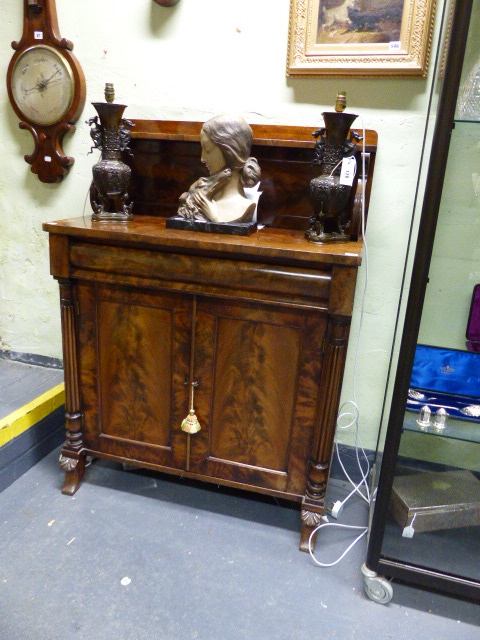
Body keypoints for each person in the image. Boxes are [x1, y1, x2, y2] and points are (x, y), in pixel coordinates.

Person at [177, 114, 261, 223]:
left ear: (229, 151)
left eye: (207, 150)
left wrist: (214, 217)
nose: (202, 158)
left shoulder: (244, 207)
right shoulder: (199, 198)